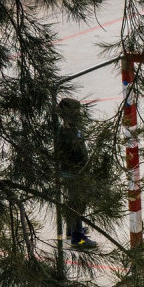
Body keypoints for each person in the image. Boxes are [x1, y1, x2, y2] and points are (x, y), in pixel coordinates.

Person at [57, 98, 97, 250]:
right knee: (77, 203)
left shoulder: (73, 128)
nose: (79, 114)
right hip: (74, 173)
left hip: (76, 172)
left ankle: (72, 229)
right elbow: (74, 153)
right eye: (76, 111)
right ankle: (78, 238)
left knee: (75, 202)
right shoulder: (67, 132)